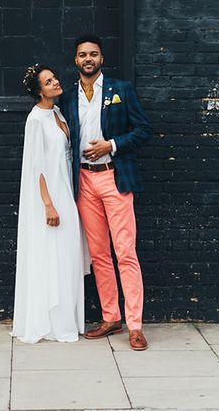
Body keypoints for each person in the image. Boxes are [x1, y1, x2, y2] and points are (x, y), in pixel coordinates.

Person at [58, 34, 153, 351]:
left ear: (101, 59)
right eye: (83, 54)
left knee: (125, 252)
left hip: (115, 179)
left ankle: (135, 325)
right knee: (99, 255)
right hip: (84, 181)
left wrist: (111, 145)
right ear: (76, 60)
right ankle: (111, 317)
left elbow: (143, 130)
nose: (88, 58)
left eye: (94, 54)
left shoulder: (120, 90)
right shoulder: (68, 97)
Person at [11, 64, 86, 343]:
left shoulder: (56, 112)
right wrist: (48, 204)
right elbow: (37, 167)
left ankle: (66, 318)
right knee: (52, 254)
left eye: (54, 78)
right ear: (38, 90)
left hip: (66, 189)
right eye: (48, 81)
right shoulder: (36, 120)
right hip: (51, 194)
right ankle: (51, 322)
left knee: (67, 255)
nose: (55, 83)